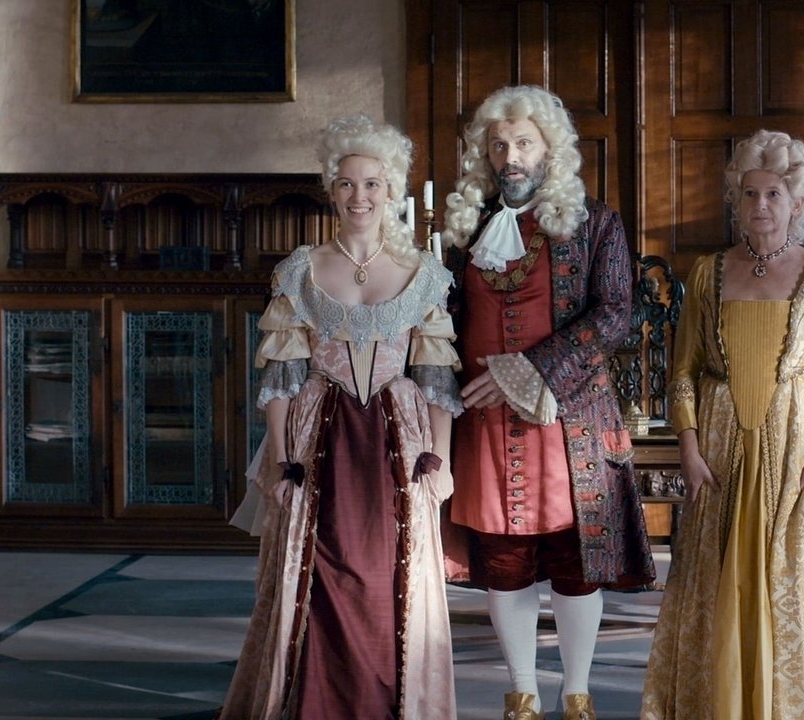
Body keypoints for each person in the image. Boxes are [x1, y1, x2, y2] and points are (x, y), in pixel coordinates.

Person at [219, 115, 462, 720]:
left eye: (372, 183)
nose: (360, 196)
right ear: (331, 188)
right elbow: (281, 375)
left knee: (388, 572)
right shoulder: (301, 269)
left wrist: (441, 459)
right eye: (348, 183)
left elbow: (437, 377)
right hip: (317, 434)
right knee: (314, 567)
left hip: (396, 438)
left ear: (392, 190)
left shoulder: (423, 273)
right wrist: (280, 459)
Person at [639, 130, 804, 719]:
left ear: (797, 202)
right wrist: (689, 447)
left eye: (773, 194)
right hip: (722, 450)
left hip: (797, 452)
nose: (760, 205)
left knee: (797, 582)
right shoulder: (708, 273)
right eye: (749, 193)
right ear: (737, 200)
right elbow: (684, 371)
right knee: (719, 581)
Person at [439, 85, 656, 720]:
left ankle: (578, 691)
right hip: (485, 423)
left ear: (549, 150)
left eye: (523, 143)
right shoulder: (464, 231)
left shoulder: (596, 223)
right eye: (498, 145)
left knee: (574, 562)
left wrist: (529, 370)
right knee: (505, 561)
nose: (510, 157)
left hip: (571, 422)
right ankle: (523, 691)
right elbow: (441, 320)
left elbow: (615, 313)